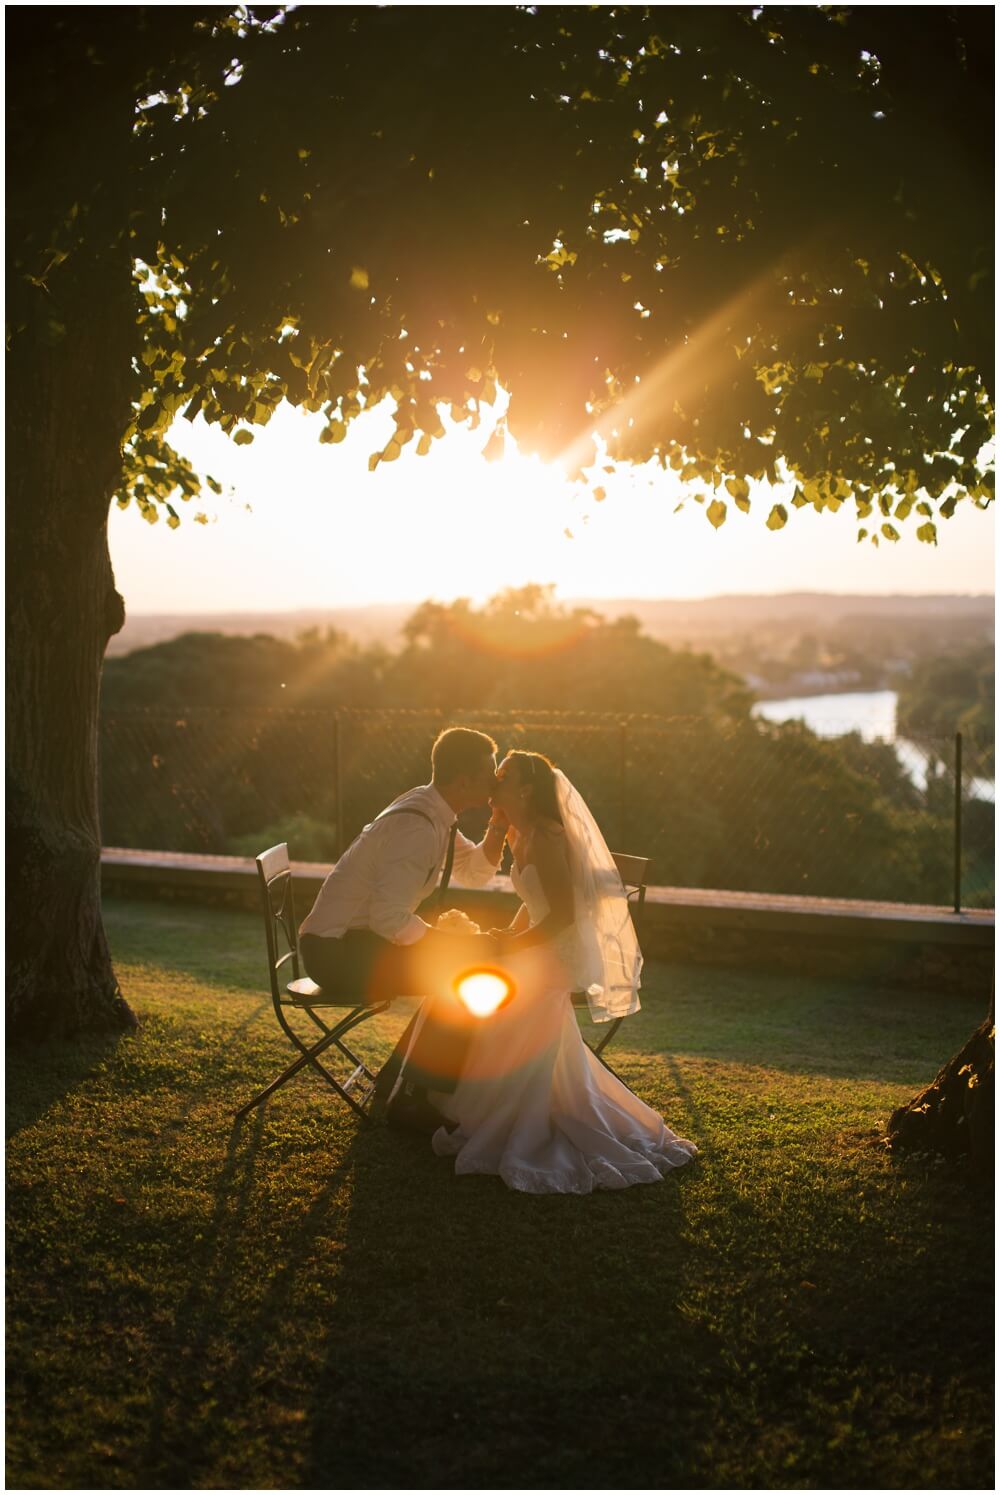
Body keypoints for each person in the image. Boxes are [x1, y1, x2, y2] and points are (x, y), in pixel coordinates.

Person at [432, 750, 698, 1193]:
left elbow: (560, 917)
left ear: (527, 788)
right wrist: (508, 931)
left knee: (503, 995)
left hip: (558, 952)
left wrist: (511, 945)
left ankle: (525, 1121)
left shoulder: (551, 836)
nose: (495, 781)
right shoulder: (520, 832)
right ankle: (488, 1102)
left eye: (504, 775)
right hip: (538, 943)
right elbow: (530, 901)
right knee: (481, 989)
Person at [299, 726, 508, 1132]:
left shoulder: (434, 811)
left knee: (462, 966)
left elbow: (477, 871)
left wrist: (499, 824)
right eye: (489, 774)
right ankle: (414, 1098)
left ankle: (402, 1079)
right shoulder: (419, 827)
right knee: (464, 972)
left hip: (354, 944)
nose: (495, 781)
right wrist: (449, 943)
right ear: (463, 779)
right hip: (338, 954)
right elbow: (388, 918)